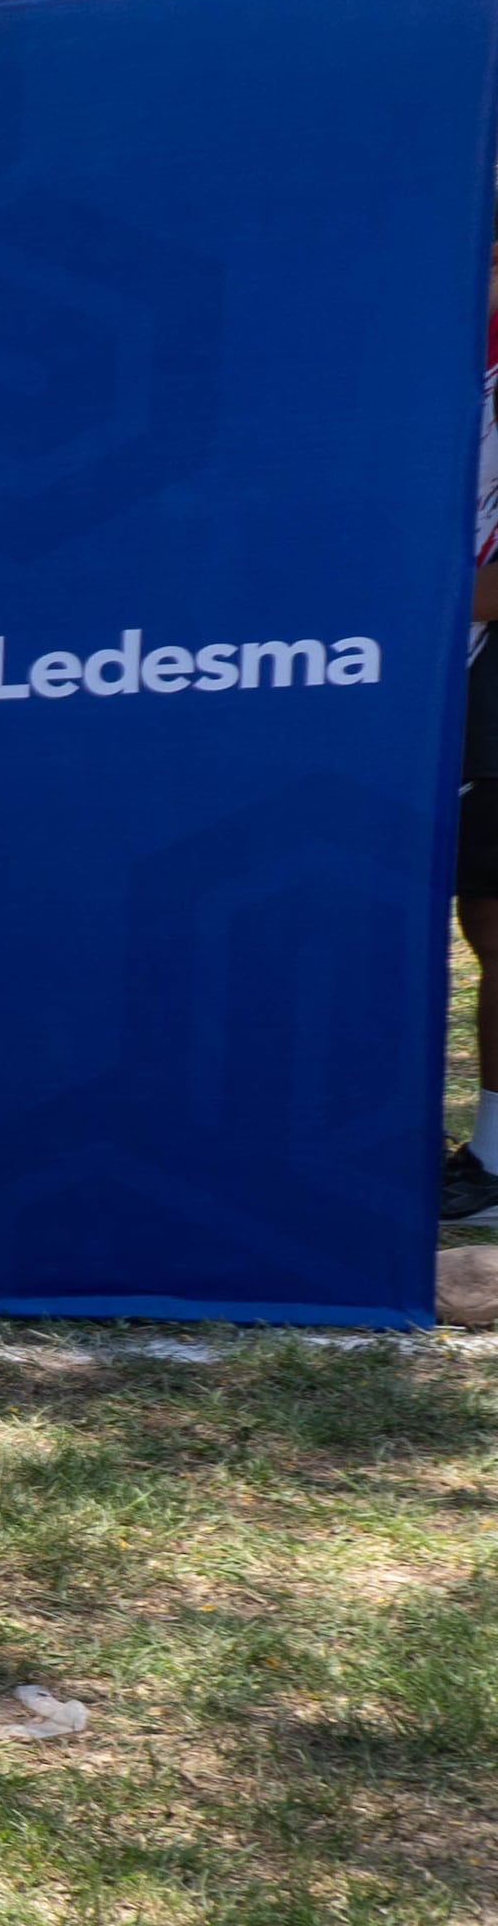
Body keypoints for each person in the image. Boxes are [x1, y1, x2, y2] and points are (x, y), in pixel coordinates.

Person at [445, 233, 498, 1227]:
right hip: (409, 673)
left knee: (493, 916)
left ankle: (492, 1160)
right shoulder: (442, 340)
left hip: (478, 667)